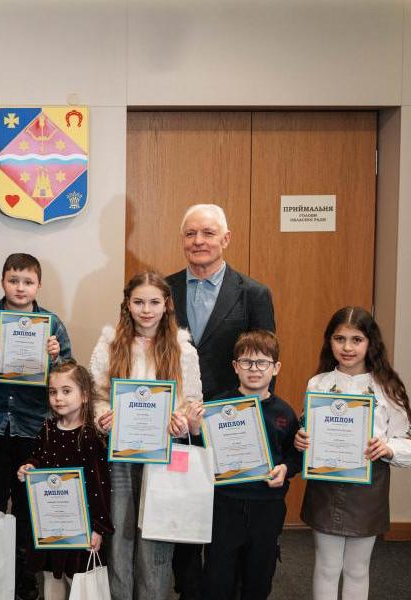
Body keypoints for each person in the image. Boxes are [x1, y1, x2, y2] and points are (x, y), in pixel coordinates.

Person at [165, 203, 275, 600]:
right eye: (190, 233)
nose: (199, 241)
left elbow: (265, 358)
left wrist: (263, 428)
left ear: (225, 239)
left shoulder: (254, 294)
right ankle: (189, 590)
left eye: (208, 233)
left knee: (230, 521)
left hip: (232, 424)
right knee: (182, 517)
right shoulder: (163, 291)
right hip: (177, 423)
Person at [294, 307, 411, 600]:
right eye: (339, 339)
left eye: (356, 339)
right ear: (329, 341)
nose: (347, 347)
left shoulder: (387, 387)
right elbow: (307, 429)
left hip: (368, 487)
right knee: (326, 565)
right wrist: (301, 439)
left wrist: (388, 447)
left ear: (370, 342)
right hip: (326, 484)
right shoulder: (318, 383)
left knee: (357, 568)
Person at [88, 271, 202, 600]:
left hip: (164, 455)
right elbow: (95, 396)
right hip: (120, 456)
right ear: (127, 304)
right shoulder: (109, 344)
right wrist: (102, 417)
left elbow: (192, 401)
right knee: (120, 535)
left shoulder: (183, 349)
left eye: (154, 302)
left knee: (155, 537)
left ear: (167, 304)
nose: (147, 310)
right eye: (139, 302)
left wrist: (183, 421)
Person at [0, 252, 70, 600]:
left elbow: (69, 379)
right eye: (13, 280)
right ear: (2, 282)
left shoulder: (52, 324)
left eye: (28, 282)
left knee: (29, 509)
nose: (20, 287)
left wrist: (55, 357)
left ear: (38, 285)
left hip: (33, 428)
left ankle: (26, 580)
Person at [198, 330, 301, 600]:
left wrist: (286, 469)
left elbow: (295, 455)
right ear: (235, 366)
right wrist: (196, 428)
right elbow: (201, 451)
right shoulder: (216, 408)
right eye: (246, 362)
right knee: (218, 577)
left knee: (259, 577)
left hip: (267, 506)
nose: (254, 369)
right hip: (225, 504)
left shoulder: (284, 413)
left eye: (262, 362)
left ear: (276, 368)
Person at [17, 360, 112, 600]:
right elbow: (38, 458)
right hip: (50, 522)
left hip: (80, 526)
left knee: (77, 579)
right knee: (51, 577)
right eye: (53, 392)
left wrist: (98, 528)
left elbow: (100, 485)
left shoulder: (90, 436)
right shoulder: (48, 428)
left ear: (85, 396)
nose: (58, 398)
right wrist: (29, 468)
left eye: (66, 391)